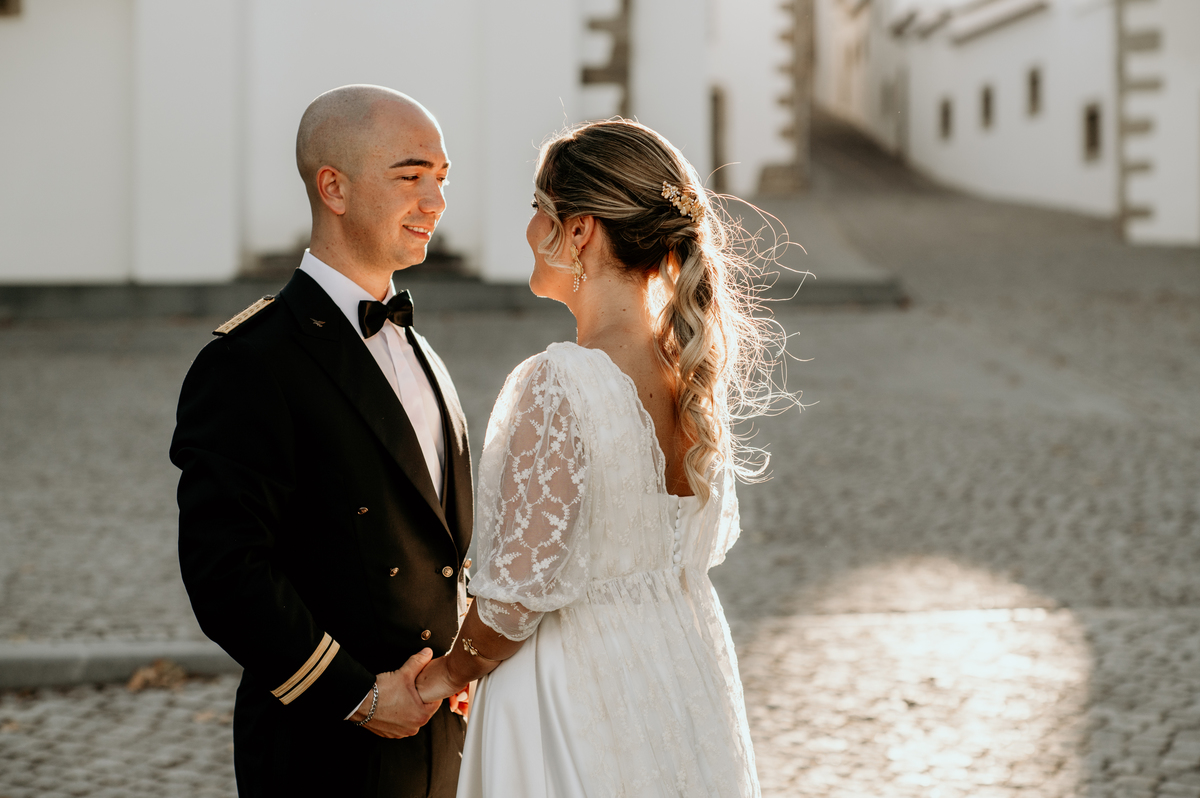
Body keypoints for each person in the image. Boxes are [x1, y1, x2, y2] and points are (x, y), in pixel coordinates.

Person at [416, 120, 781, 797]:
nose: (530, 229)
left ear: (579, 230)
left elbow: (515, 598)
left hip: (571, 692)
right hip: (681, 676)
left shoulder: (563, 381)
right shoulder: (690, 374)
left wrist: (445, 675)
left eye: (539, 208)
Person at [170, 85, 472, 798]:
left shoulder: (422, 351)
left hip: (441, 746)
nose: (435, 201)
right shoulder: (250, 361)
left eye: (441, 177)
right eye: (411, 176)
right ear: (333, 187)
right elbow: (225, 572)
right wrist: (359, 696)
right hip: (323, 751)